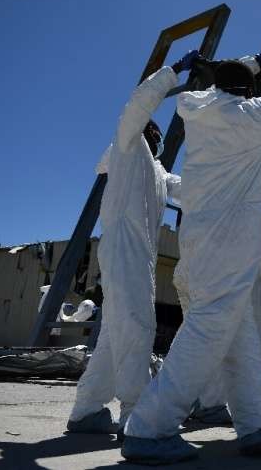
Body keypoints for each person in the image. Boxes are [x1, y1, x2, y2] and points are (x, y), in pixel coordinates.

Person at [121, 39, 261, 465]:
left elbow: (225, 82)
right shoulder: (254, 118)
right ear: (248, 93)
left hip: (199, 242)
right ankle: (149, 427)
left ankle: (257, 423)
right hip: (228, 248)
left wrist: (252, 63)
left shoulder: (197, 109)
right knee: (206, 334)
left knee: (238, 332)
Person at [66, 50, 198, 436]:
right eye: (152, 131)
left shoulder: (156, 172)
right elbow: (139, 103)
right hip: (123, 249)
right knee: (137, 327)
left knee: (114, 337)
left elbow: (191, 191)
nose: (155, 137)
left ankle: (86, 410)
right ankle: (137, 416)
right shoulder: (127, 147)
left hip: (137, 257)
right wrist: (174, 71)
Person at [182, 215, 261, 425]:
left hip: (246, 288)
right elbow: (247, 235)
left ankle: (242, 403)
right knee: (236, 349)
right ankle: (221, 405)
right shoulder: (234, 214)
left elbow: (254, 240)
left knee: (243, 349)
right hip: (241, 289)